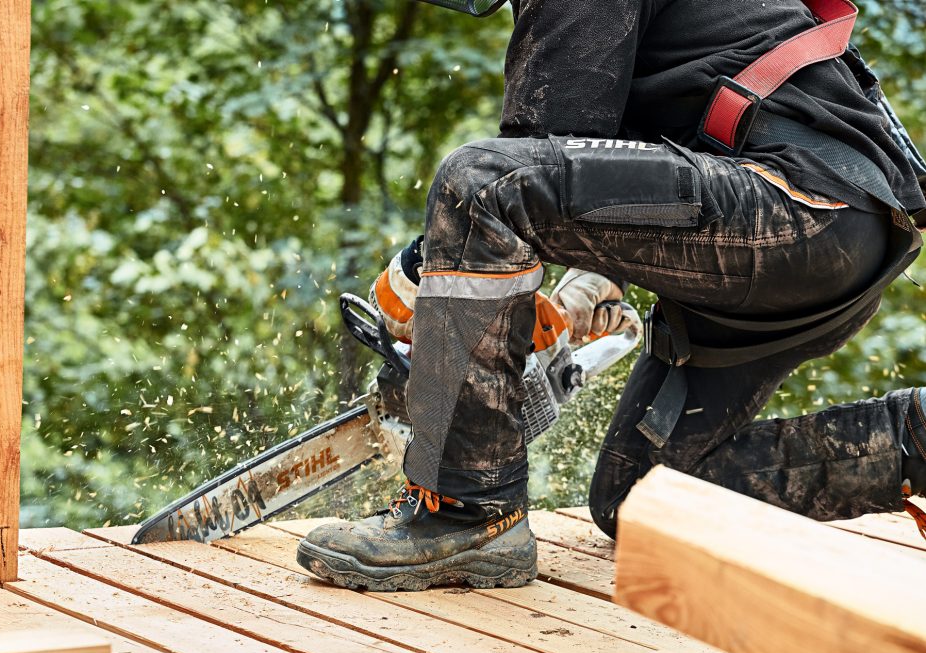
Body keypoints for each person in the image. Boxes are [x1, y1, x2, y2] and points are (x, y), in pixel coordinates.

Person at [296, 0, 926, 591]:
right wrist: (590, 288)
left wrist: (424, 281)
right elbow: (597, 170)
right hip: (840, 230)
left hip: (796, 207)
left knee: (480, 184)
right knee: (645, 499)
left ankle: (465, 511)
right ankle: (913, 439)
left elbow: (526, 168)